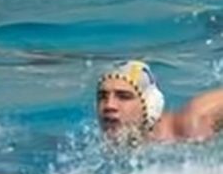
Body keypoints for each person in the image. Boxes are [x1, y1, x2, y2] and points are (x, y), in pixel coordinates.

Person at [95, 60, 223, 145]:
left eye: (124, 97)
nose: (109, 105)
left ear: (150, 105)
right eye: (102, 96)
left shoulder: (192, 123)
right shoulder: (101, 146)